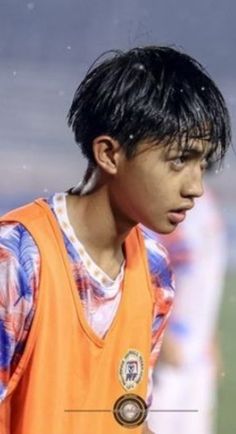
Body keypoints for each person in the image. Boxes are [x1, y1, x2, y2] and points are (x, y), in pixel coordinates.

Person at [0, 46, 231, 434]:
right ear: (109, 153)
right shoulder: (18, 261)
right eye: (179, 160)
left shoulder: (155, 272)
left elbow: (126, 419)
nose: (195, 187)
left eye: (202, 165)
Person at [148, 182, 227, 434]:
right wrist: (160, 335)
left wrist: (210, 336)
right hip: (164, 354)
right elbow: (139, 268)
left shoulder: (206, 202)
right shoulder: (158, 201)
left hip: (198, 356)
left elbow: (206, 275)